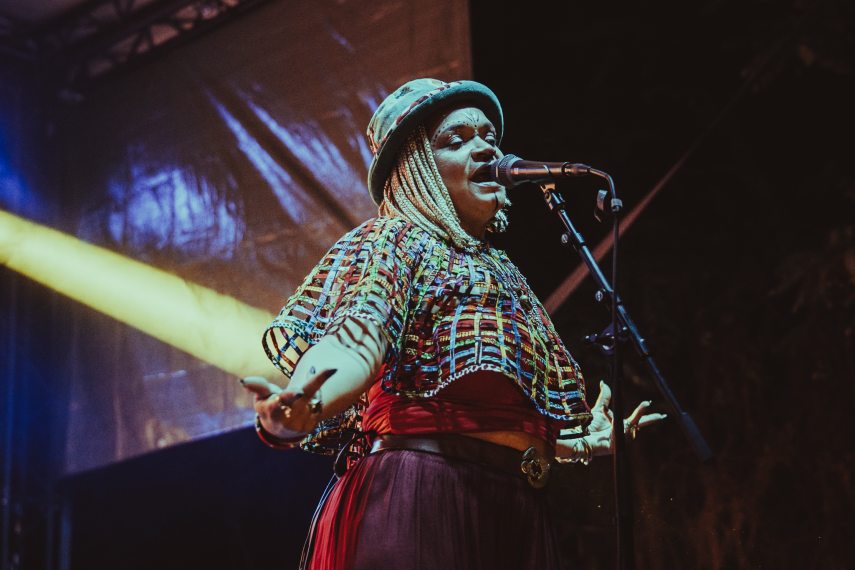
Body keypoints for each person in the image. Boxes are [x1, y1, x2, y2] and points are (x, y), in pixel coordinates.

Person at [240, 78, 666, 570]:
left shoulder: (502, 270)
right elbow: (356, 339)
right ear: (415, 168)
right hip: (424, 490)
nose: (485, 148)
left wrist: (583, 444)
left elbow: (491, 415)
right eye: (456, 140)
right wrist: (307, 401)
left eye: (489, 137)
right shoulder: (395, 240)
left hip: (515, 508)